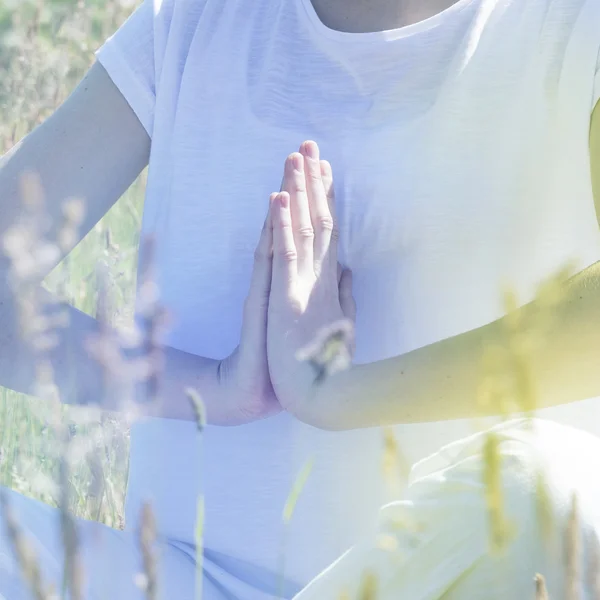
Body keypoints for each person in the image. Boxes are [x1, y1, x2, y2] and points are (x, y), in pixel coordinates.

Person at [2, 0, 600, 597]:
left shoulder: (572, 24)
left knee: (550, 491)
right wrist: (218, 387)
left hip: (427, 583)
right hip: (180, 579)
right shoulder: (192, 18)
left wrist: (338, 394)